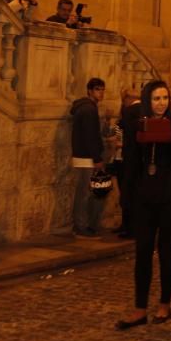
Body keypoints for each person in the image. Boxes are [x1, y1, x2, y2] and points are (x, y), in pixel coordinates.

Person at [116, 80, 171, 330]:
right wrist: (126, 195)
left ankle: (164, 303)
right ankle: (139, 308)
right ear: (148, 100)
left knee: (167, 251)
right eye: (157, 98)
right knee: (142, 252)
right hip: (144, 196)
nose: (161, 103)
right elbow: (130, 160)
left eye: (165, 98)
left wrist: (167, 134)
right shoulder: (137, 123)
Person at [70, 78, 106, 238]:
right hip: (86, 157)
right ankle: (81, 226)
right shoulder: (88, 110)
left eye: (102, 89)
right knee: (85, 193)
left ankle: (83, 225)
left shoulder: (87, 108)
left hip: (84, 155)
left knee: (86, 192)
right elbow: (90, 136)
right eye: (98, 89)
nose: (101, 92)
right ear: (90, 91)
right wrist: (97, 158)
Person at [116, 90, 143, 239]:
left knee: (128, 193)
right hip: (141, 159)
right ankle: (133, 226)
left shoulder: (129, 111)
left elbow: (126, 135)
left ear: (128, 99)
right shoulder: (146, 110)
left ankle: (129, 228)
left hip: (130, 158)